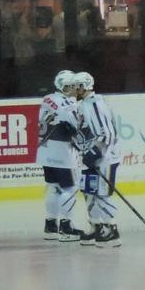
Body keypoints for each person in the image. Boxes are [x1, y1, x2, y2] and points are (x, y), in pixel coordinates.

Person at [75, 71, 122, 247]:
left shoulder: (95, 104)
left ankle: (112, 230)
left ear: (84, 86)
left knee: (102, 193)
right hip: (91, 157)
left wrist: (95, 152)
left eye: (76, 86)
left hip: (105, 158)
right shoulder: (84, 104)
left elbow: (107, 134)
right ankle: (96, 226)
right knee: (89, 191)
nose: (74, 90)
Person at [37, 70, 85, 242]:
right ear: (65, 87)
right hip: (62, 152)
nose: (75, 89)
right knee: (69, 188)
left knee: (53, 186)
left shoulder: (47, 98)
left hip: (45, 150)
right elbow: (75, 129)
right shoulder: (69, 104)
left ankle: (51, 225)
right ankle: (66, 227)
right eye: (72, 86)